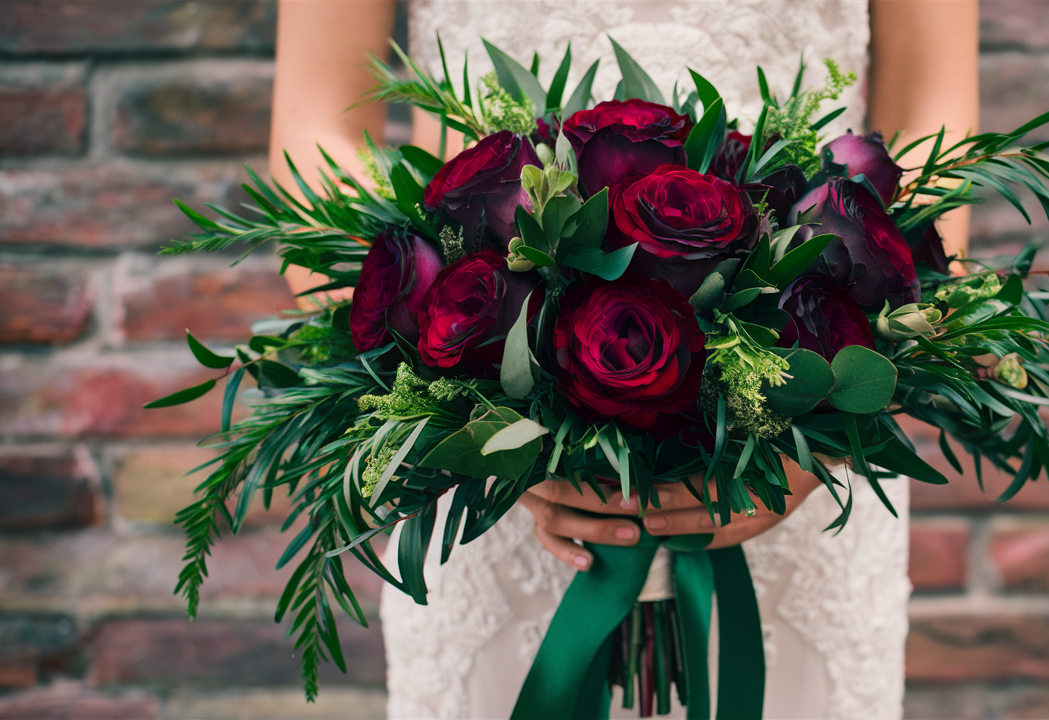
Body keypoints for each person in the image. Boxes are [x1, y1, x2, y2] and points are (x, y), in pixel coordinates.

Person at [270, 2, 977, 717]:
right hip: (487, 478)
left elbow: (930, 115)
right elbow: (318, 125)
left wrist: (825, 429)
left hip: (804, 462)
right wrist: (471, 414)